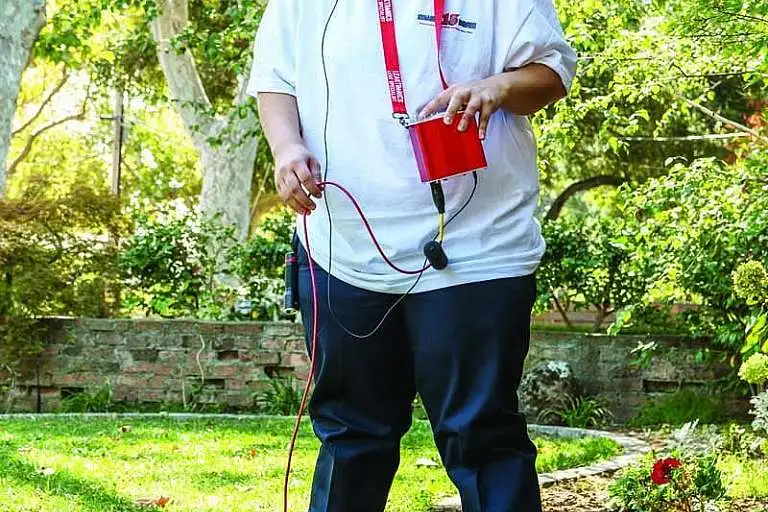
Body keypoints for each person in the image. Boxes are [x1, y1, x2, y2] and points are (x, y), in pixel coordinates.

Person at [249, 1, 576, 510]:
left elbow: (552, 72)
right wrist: (287, 148)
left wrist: (497, 87)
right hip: (343, 248)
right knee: (350, 436)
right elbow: (276, 76)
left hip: (478, 248)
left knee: (483, 438)